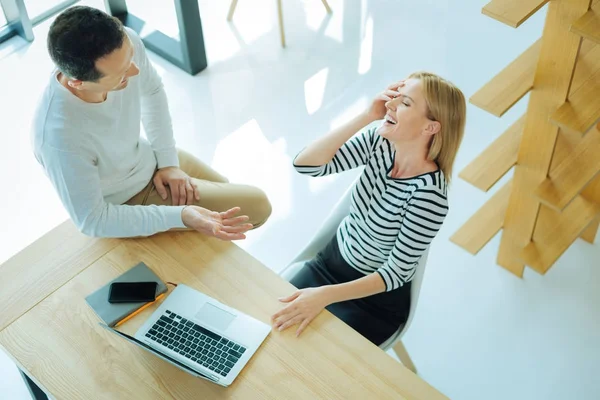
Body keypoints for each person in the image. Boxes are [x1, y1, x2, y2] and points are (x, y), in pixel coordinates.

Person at [31, 6, 271, 240]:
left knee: (228, 195)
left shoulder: (124, 46)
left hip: (148, 159)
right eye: (121, 74)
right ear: (78, 83)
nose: (134, 71)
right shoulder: (58, 137)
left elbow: (152, 91)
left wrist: (168, 162)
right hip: (126, 199)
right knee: (257, 206)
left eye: (131, 58)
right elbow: (92, 220)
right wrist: (181, 215)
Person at [271, 72, 466, 345]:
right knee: (269, 321)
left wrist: (325, 295)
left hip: (372, 300)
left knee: (311, 356)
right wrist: (366, 116)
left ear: (430, 128)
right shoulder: (380, 142)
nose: (390, 105)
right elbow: (306, 164)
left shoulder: (428, 196)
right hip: (329, 263)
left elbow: (395, 273)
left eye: (405, 103)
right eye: (394, 96)